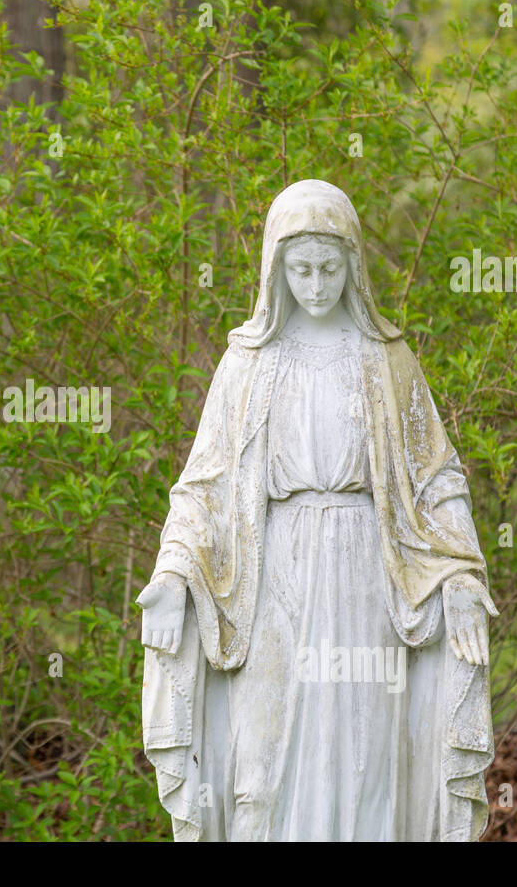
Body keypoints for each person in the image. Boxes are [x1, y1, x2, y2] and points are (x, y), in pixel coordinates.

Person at [138, 180, 498, 841]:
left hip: (366, 573)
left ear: (353, 266)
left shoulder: (387, 361)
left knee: (364, 757)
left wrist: (462, 577)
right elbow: (201, 491)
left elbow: (437, 480)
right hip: (272, 577)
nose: (314, 284)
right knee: (259, 755)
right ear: (275, 269)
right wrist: (172, 578)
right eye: (299, 269)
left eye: (329, 268)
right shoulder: (247, 364)